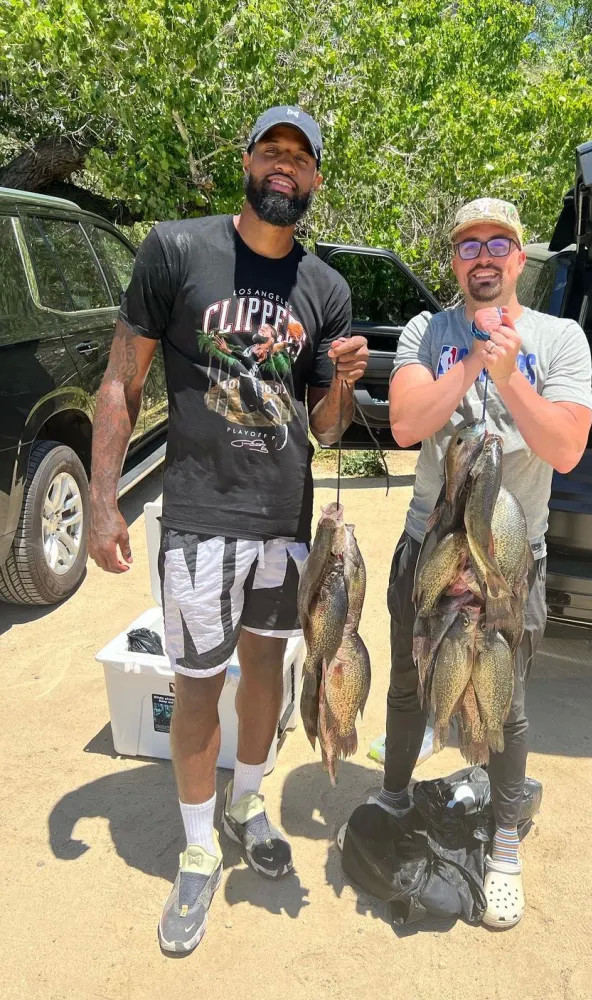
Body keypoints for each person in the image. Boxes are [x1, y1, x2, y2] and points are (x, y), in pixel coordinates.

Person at [88, 106, 369, 954]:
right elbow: (119, 381)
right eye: (272, 151)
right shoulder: (177, 250)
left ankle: (248, 799)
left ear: (316, 180)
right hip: (202, 519)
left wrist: (347, 382)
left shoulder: (325, 288)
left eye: (302, 159)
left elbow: (325, 429)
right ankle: (200, 845)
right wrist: (103, 499)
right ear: (247, 162)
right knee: (197, 684)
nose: (285, 167)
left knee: (264, 674)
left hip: (284, 527)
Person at [369, 197, 592, 929]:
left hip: (506, 560)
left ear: (520, 259)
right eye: (469, 246)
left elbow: (564, 448)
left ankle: (503, 845)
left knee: (507, 703)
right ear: (456, 263)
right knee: (408, 680)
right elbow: (405, 424)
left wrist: (511, 375)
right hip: (431, 546)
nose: (484, 256)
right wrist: (469, 362)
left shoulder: (561, 338)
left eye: (500, 243)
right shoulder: (426, 331)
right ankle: (395, 795)